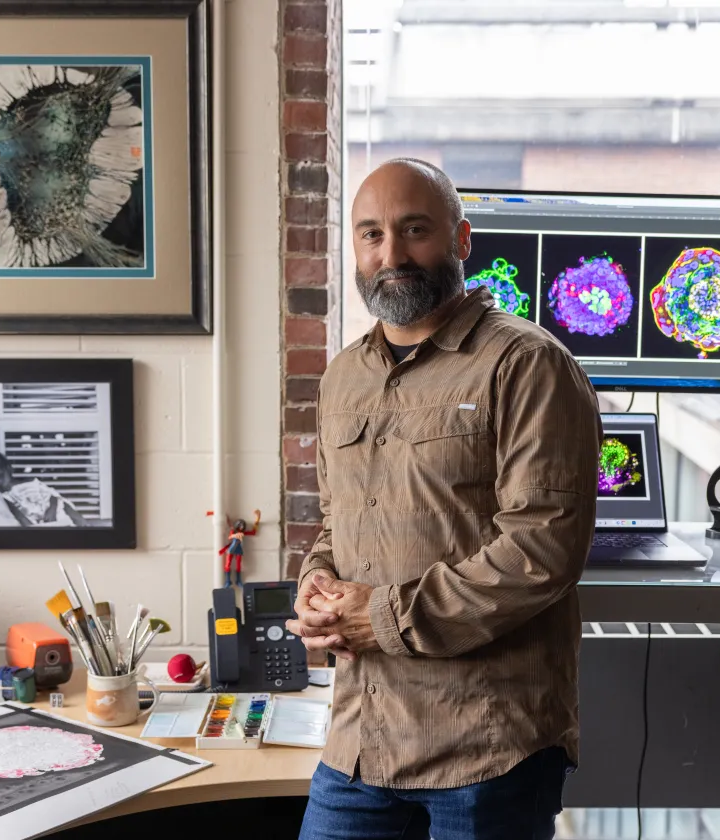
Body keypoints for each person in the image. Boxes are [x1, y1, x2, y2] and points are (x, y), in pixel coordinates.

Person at [285, 158, 602, 840]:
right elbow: (341, 522)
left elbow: (543, 549)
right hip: (359, 745)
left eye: (414, 230)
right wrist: (315, 582)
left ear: (461, 241)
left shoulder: (527, 364)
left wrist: (387, 619)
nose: (390, 253)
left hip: (487, 754)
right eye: (371, 234)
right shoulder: (344, 378)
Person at [0, 452, 90, 527]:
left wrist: (52, 508)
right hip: (38, 523)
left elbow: (53, 495)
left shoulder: (31, 482)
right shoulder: (5, 496)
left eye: (0, 476)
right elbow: (20, 517)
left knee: (66, 513)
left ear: (9, 469)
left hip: (53, 513)